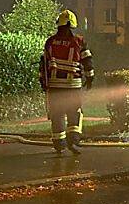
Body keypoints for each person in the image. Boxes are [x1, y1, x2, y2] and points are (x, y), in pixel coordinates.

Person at [40, 9, 94, 154]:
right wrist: (90, 78)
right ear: (72, 25)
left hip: (55, 87)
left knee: (57, 115)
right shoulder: (79, 41)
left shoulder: (50, 42)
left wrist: (43, 83)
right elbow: (87, 61)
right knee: (74, 113)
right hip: (73, 86)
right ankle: (73, 142)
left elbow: (43, 64)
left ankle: (59, 145)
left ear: (59, 25)